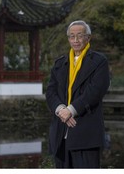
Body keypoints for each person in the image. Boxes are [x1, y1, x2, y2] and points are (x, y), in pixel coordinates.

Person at [46, 20, 110, 168]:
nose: (75, 40)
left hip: (85, 131)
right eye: (72, 36)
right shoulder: (60, 63)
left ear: (88, 38)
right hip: (60, 133)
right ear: (68, 39)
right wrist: (61, 109)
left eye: (79, 36)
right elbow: (51, 91)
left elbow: (95, 91)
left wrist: (71, 110)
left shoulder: (99, 61)